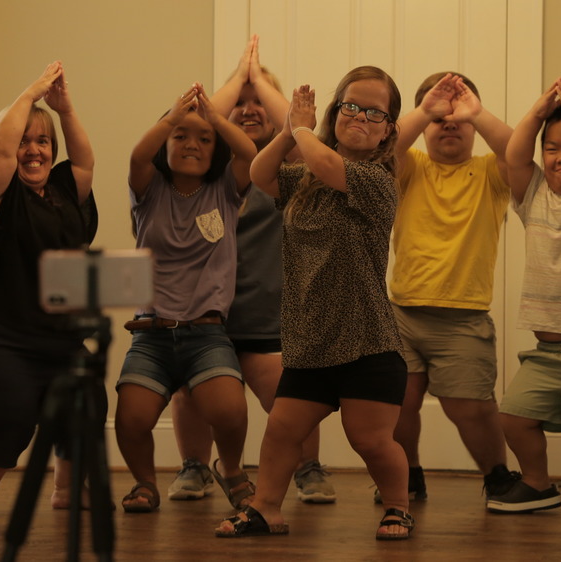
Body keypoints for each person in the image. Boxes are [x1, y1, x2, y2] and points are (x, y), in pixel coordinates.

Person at [216, 66, 412, 540]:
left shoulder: (376, 180)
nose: (360, 118)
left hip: (366, 338)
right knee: (283, 431)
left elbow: (329, 165)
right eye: (350, 106)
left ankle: (398, 507)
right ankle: (265, 508)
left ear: (388, 129)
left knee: (370, 440)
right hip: (310, 338)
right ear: (335, 111)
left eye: (374, 112)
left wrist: (301, 129)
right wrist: (287, 132)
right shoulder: (304, 177)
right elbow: (262, 174)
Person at [165, 36, 336, 505]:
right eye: (239, 102)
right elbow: (189, 123)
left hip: (269, 317)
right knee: (191, 391)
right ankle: (195, 467)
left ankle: (309, 467)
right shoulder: (206, 166)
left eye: (259, 102)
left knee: (292, 394)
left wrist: (258, 79)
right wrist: (238, 81)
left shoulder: (289, 169)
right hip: (204, 316)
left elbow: (306, 138)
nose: (249, 108)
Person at [0, 61, 99, 519]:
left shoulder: (62, 192)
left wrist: (65, 109)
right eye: (23, 141)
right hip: (0, 338)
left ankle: (65, 488)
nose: (32, 151)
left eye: (42, 142)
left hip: (58, 338)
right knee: (9, 408)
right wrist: (28, 96)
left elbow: (83, 161)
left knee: (87, 397)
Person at [115, 82, 258, 514]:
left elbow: (250, 155)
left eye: (204, 139)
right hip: (151, 334)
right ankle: (144, 483)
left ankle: (230, 469)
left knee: (231, 413)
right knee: (131, 418)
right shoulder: (149, 189)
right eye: (181, 136)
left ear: (215, 149)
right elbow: (138, 156)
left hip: (206, 333)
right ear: (168, 140)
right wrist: (173, 116)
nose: (192, 144)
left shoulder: (225, 192)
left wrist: (215, 117)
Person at [385, 72, 518, 503]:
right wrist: (427, 108)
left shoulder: (490, 173)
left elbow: (515, 149)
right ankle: (408, 477)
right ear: (424, 124)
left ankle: (497, 477)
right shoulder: (411, 168)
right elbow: (385, 148)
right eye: (439, 118)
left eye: (459, 117)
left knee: (471, 409)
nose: (449, 124)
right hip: (401, 312)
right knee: (397, 405)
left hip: (463, 318)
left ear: (475, 125)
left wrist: (476, 113)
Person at [486, 78, 561, 517]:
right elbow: (514, 153)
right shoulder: (534, 195)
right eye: (552, 148)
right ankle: (538, 485)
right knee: (514, 417)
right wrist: (539, 113)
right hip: (547, 351)